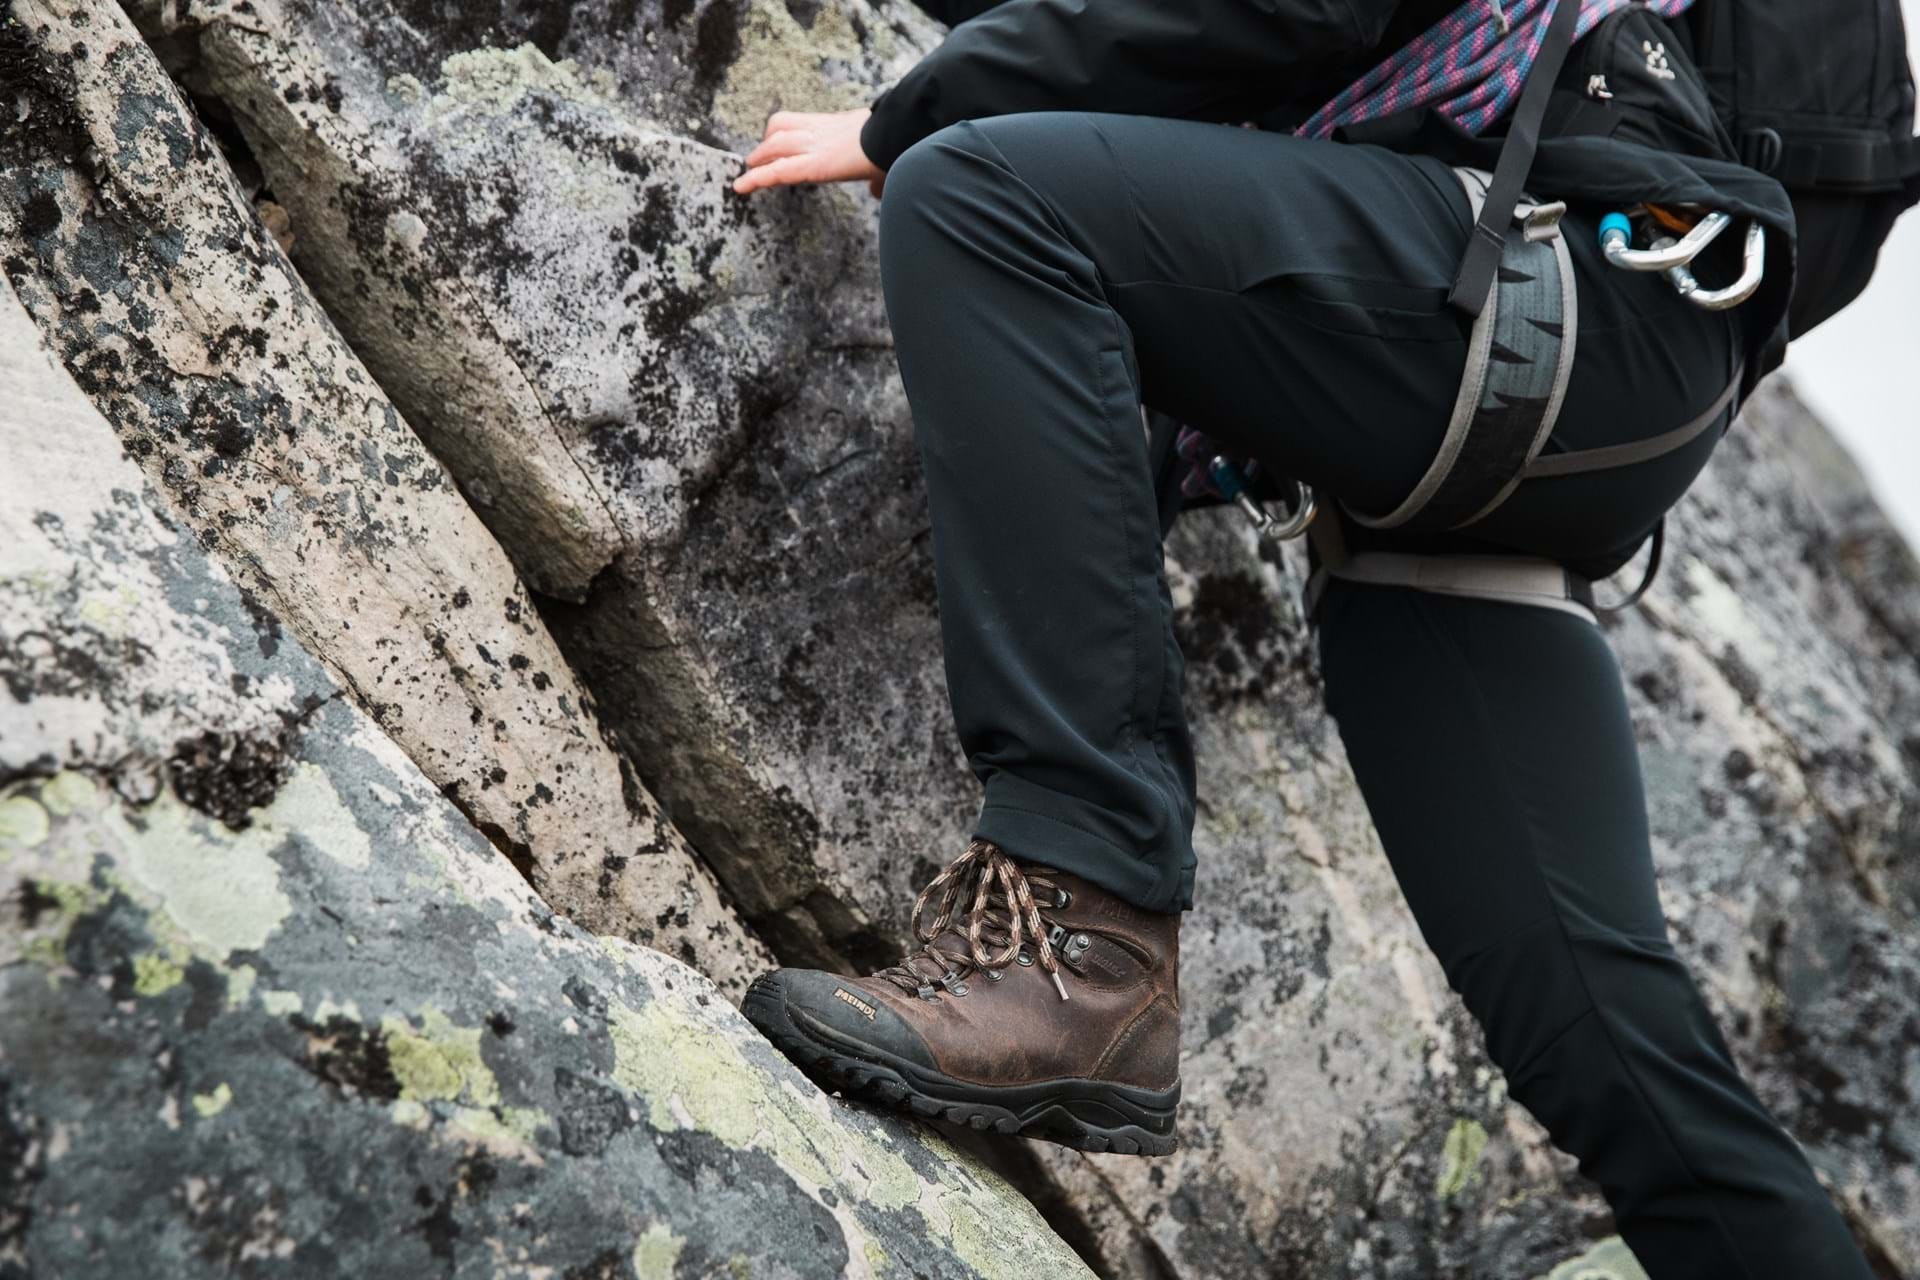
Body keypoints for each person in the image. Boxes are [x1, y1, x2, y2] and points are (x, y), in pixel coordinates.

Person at [730, 0, 1889, 1273]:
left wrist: (911, 112)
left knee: (982, 194)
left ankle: (1082, 936)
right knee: (1612, 1041)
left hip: (1535, 309)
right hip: (1616, 392)